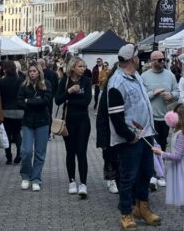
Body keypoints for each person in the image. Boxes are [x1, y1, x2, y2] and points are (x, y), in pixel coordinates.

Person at [108, 44, 161, 231]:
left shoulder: (136, 76)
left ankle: (142, 207)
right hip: (130, 139)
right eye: (138, 56)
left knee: (146, 172)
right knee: (128, 176)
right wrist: (129, 137)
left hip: (146, 134)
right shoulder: (116, 83)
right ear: (131, 59)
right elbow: (115, 116)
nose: (140, 59)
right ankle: (126, 213)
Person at [55, 56, 93, 197]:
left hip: (83, 121)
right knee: (70, 152)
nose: (83, 69)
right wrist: (70, 92)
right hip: (68, 121)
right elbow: (58, 100)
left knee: (81, 152)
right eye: (80, 66)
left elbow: (86, 101)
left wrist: (70, 100)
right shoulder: (65, 81)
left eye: (84, 66)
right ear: (72, 68)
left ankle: (83, 183)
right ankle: (71, 181)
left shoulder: (86, 81)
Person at [140, 50, 179, 189]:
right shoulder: (144, 76)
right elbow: (140, 96)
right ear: (152, 61)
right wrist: (153, 93)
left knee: (162, 144)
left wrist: (171, 95)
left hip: (165, 117)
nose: (162, 62)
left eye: (164, 60)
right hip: (149, 117)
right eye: (159, 60)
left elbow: (178, 92)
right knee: (151, 145)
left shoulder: (170, 75)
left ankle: (160, 173)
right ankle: (152, 174)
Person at [18, 61, 54, 191]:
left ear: (39, 72)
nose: (32, 73)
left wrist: (29, 101)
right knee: (26, 151)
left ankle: (36, 178)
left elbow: (45, 101)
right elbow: (20, 102)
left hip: (43, 122)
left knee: (40, 153)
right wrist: (35, 101)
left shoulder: (46, 84)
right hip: (28, 122)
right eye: (30, 71)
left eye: (34, 71)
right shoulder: (23, 86)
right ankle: (26, 176)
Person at [96, 63, 119, 193]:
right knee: (109, 155)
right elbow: (101, 115)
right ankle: (111, 179)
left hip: (122, 128)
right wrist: (102, 138)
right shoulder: (107, 90)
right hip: (109, 128)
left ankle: (118, 179)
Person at [0, 60, 23, 164]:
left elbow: (0, 97)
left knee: (7, 134)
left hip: (6, 111)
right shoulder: (20, 80)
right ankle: (19, 153)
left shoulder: (2, 81)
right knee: (17, 133)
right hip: (19, 110)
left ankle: (8, 157)